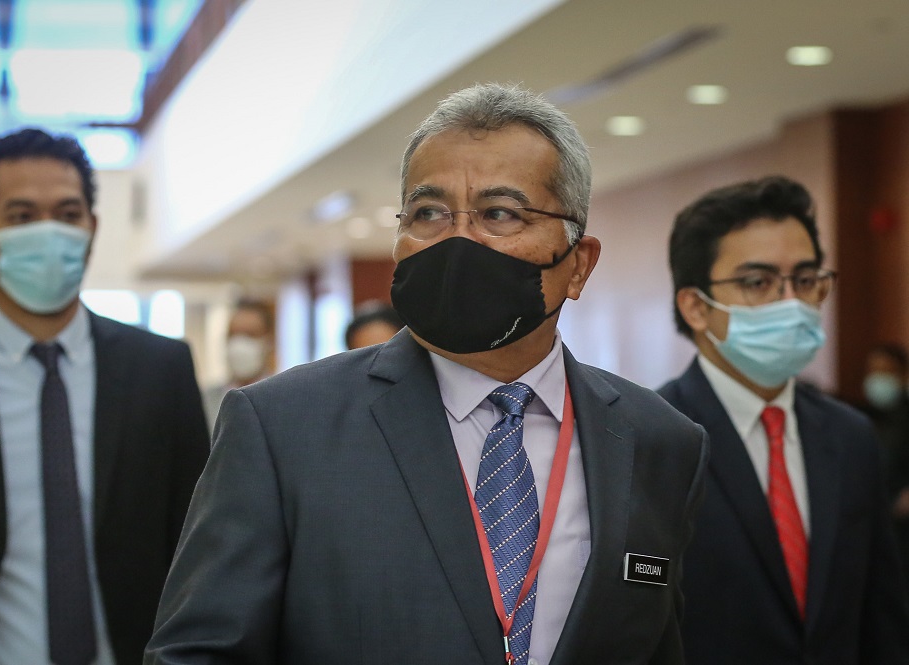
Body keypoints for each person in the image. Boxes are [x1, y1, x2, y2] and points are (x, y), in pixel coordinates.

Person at [147, 83, 709, 665]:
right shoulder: (283, 428)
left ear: (578, 265)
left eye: (499, 213)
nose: (458, 240)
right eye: (428, 214)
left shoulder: (659, 441)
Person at [0, 128, 210, 665]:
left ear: (92, 228)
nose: (49, 232)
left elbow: (199, 538)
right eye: (22, 216)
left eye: (68, 214)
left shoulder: (161, 369)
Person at [657, 175, 909, 664]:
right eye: (758, 282)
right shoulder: (652, 438)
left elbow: (882, 615)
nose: (792, 302)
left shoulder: (850, 436)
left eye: (806, 280)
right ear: (696, 307)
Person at [862, 342, 909, 579]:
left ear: (903, 375)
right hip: (869, 522)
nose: (878, 379)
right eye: (874, 371)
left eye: (886, 371)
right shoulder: (857, 419)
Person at [203, 298, 274, 427]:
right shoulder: (205, 401)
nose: (239, 343)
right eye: (233, 335)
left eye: (250, 335)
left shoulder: (283, 398)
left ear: (268, 342)